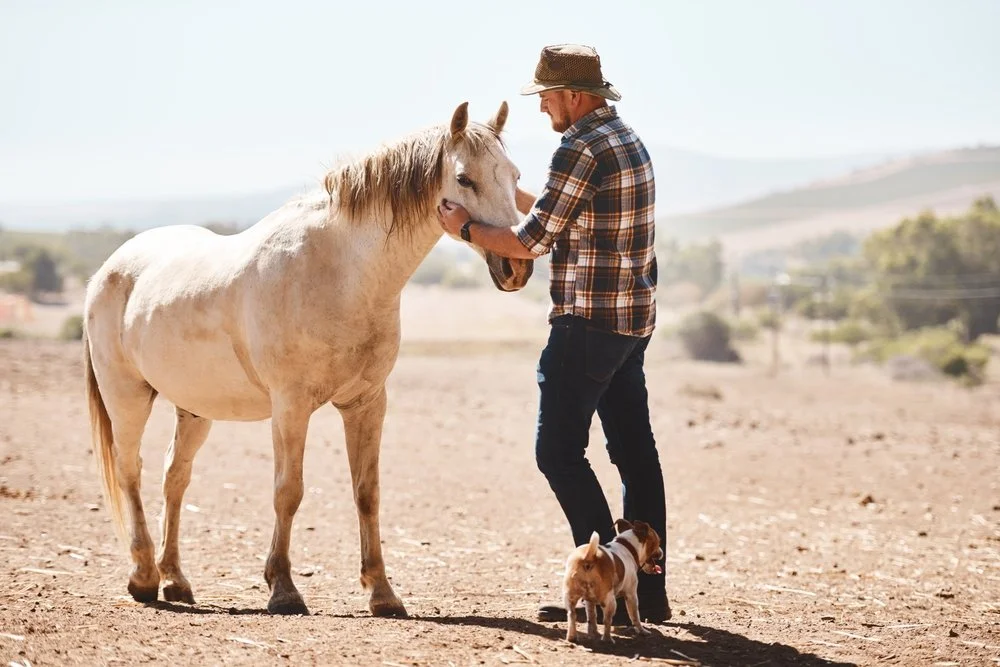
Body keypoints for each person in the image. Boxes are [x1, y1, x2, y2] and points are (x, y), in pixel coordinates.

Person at [437, 43, 669, 624]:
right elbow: (558, 212)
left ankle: (597, 584)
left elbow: (529, 242)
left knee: (558, 453)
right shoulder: (624, 139)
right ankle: (650, 593)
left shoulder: (578, 148)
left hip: (587, 325)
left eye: (545, 97)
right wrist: (498, 199)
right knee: (635, 456)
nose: (542, 109)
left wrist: (464, 226)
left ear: (571, 95)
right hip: (630, 322)